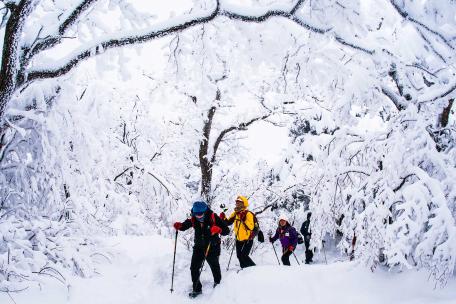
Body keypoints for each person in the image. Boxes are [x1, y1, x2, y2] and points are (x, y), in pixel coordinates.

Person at [173, 201, 229, 298]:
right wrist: (180, 226)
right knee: (194, 268)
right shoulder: (194, 218)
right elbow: (186, 224)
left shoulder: (213, 217)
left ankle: (218, 283)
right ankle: (197, 289)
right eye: (196, 214)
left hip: (212, 246)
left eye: (200, 214)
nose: (198, 216)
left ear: (205, 211)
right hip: (198, 247)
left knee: (214, 266)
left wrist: (219, 230)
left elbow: (226, 230)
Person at [220, 195, 256, 268]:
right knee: (239, 256)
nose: (237, 203)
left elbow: (250, 227)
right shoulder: (235, 213)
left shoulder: (248, 214)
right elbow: (228, 222)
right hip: (238, 239)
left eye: (239, 202)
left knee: (244, 255)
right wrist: (223, 218)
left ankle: (254, 268)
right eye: (236, 202)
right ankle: (244, 269)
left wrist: (243, 219)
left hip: (248, 239)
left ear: (244, 204)